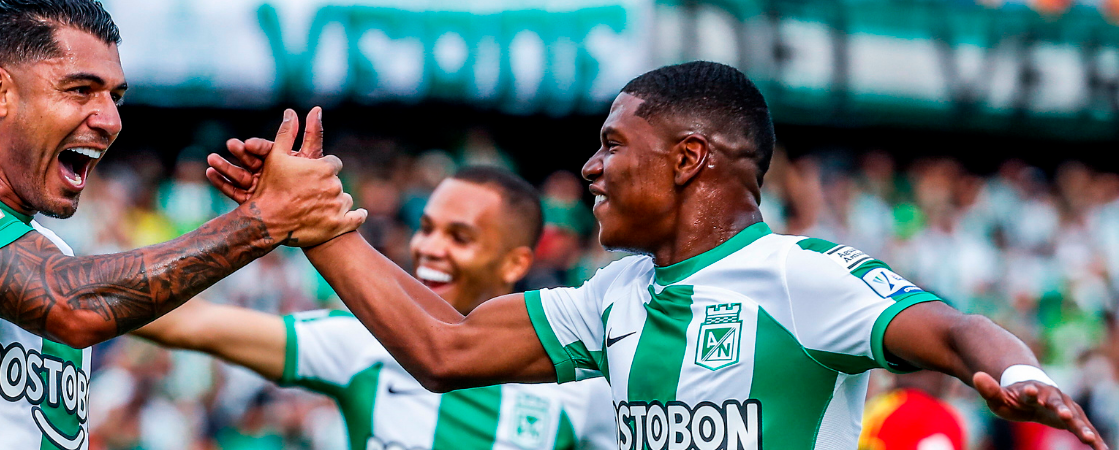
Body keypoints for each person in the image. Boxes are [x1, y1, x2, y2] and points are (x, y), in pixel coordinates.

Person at [212, 61, 1109, 450]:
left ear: (686, 161)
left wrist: (1015, 371)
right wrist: (321, 228)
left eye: (611, 145)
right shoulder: (613, 297)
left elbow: (954, 330)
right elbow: (444, 351)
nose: (589, 166)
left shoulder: (800, 275)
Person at [0, 1, 362, 449]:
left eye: (115, 96)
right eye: (81, 90)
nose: (110, 120)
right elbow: (71, 305)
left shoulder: (56, 250)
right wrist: (259, 223)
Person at [135, 166, 616, 450]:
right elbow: (191, 323)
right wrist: (248, 228)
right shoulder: (358, 340)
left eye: (459, 237)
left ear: (516, 262)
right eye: (426, 227)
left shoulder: (587, 383)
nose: (429, 247)